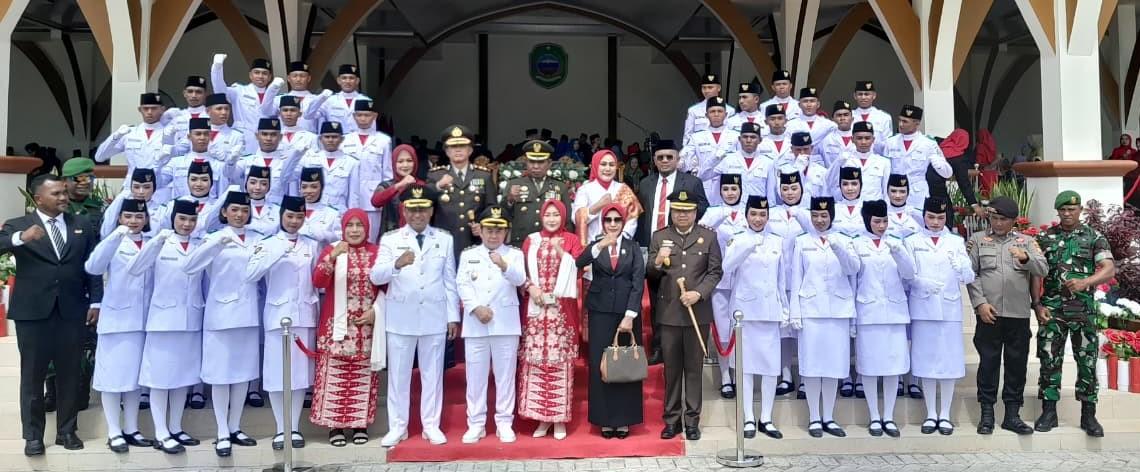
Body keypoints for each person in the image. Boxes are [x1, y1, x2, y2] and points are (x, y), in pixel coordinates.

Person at [0, 174, 102, 456]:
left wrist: (96, 301)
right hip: (33, 314)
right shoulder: (18, 225)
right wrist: (21, 238)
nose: (63, 197)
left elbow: (90, 266)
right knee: (33, 375)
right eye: (56, 193)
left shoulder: (80, 224)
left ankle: (67, 431)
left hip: (71, 311)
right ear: (38, 198)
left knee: (70, 372)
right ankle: (33, 437)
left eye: (64, 192)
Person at [373, 187, 459, 447]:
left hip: (434, 314)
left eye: (423, 209)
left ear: (431, 211)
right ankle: (397, 426)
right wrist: (396, 264)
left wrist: (452, 316)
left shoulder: (444, 239)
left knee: (432, 375)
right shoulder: (390, 239)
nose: (418, 214)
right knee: (399, 376)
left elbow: (450, 280)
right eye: (412, 209)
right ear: (404, 211)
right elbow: (375, 276)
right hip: (401, 317)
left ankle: (430, 425)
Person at [183, 190, 263, 457]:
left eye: (244, 210)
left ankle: (235, 426)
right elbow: (190, 266)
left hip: (249, 313)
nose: (240, 215)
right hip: (220, 315)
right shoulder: (212, 238)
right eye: (234, 210)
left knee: (242, 374)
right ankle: (221, 431)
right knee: (220, 375)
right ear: (224, 212)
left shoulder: (257, 239)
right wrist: (217, 244)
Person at [1033, 190, 1116, 437]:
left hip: (1083, 311)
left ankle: (1088, 415)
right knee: (1049, 360)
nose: (1068, 214)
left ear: (1080, 210)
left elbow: (1109, 269)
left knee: (1087, 363)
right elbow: (1035, 272)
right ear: (1057, 212)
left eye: (1072, 209)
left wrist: (1086, 282)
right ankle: (1049, 411)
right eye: (1063, 210)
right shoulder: (1045, 238)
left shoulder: (1094, 237)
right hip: (1053, 310)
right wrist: (1037, 304)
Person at [966, 196, 1047, 436]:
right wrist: (980, 303)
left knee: (1016, 365)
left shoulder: (1027, 242)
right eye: (994, 218)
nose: (998, 223)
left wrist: (1026, 258)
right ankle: (987, 413)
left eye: (1003, 219)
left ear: (1013, 221)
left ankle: (1012, 414)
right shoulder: (978, 240)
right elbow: (970, 275)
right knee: (988, 363)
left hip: (1018, 314)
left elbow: (1043, 268)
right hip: (989, 314)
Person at [832, 200, 913, 438]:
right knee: (868, 367)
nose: (881, 225)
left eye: (885, 221)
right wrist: (853, 318)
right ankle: (874, 416)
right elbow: (852, 275)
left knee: (892, 368)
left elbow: (909, 274)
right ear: (867, 220)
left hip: (894, 314)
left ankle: (888, 415)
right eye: (877, 221)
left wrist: (899, 254)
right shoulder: (856, 244)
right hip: (868, 312)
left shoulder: (897, 243)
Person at [647, 189, 722, 440]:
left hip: (697, 314)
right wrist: (658, 260)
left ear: (695, 212)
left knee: (693, 369)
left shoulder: (708, 237)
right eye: (678, 211)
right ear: (671, 212)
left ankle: (692, 420)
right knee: (671, 369)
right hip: (669, 314)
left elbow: (715, 272)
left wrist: (699, 294)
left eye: (687, 211)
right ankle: (671, 420)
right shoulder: (660, 237)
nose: (682, 215)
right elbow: (652, 273)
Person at [245, 196, 318, 450]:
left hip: (305, 315)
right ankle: (280, 429)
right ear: (281, 216)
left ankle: (294, 427)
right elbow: (252, 274)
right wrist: (276, 253)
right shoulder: (268, 244)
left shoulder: (311, 244)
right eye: (290, 216)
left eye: (299, 217)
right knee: (278, 375)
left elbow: (317, 277)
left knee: (298, 376)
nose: (295, 221)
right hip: (277, 316)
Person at [132, 199, 204, 454]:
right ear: (172, 219)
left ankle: (175, 426)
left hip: (191, 319)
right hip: (162, 321)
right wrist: (154, 243)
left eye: (192, 220)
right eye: (182, 219)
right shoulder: (161, 243)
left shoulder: (200, 245)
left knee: (182, 377)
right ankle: (161, 431)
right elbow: (136, 269)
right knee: (160, 379)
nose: (187, 224)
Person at [900, 197, 975, 436]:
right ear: (924, 216)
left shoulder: (955, 241)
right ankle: (931, 412)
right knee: (927, 362)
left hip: (949, 308)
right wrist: (920, 282)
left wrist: (962, 266)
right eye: (931, 217)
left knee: (949, 363)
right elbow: (907, 274)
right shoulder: (912, 241)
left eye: (940, 218)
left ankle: (945, 413)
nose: (935, 222)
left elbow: (969, 276)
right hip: (923, 308)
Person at [86, 198, 155, 454]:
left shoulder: (152, 243)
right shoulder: (112, 242)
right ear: (119, 218)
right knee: (113, 379)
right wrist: (115, 235)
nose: (134, 221)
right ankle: (114, 430)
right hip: (117, 320)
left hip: (144, 320)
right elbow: (93, 267)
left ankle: (132, 428)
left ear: (146, 219)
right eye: (128, 216)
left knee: (135, 380)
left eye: (139, 217)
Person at [308, 209, 382, 446]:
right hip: (336, 327)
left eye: (359, 225)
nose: (354, 230)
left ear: (367, 228)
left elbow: (386, 287)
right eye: (349, 225)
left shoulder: (376, 252)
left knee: (362, 375)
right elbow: (318, 282)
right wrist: (331, 259)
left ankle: (359, 424)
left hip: (366, 328)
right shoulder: (333, 249)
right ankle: (335, 426)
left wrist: (376, 310)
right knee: (336, 375)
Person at [456, 206, 527, 444]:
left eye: (499, 230)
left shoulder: (514, 254)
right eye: (489, 230)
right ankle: (475, 423)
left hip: (505, 324)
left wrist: (504, 265)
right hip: (476, 324)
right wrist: (476, 308)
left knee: (505, 376)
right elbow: (462, 284)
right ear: (481, 231)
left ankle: (504, 422)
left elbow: (520, 280)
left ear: (506, 232)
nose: (494, 235)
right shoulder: (469, 254)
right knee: (475, 377)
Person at [789, 196, 858, 438]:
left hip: (838, 311)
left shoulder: (844, 240)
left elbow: (853, 270)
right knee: (811, 366)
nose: (820, 220)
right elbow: (795, 278)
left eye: (824, 216)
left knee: (832, 367)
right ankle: (814, 417)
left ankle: (828, 416)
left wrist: (838, 248)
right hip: (811, 311)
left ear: (831, 216)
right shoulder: (801, 242)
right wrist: (794, 312)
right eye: (816, 216)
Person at [578, 202, 646, 439]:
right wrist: (598, 247)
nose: (613, 224)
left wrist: (630, 315)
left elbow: (638, 282)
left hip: (627, 314)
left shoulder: (633, 247)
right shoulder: (597, 245)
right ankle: (605, 420)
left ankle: (624, 420)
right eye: (609, 220)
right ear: (603, 223)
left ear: (623, 222)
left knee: (625, 365)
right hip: (600, 313)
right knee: (603, 366)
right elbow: (579, 262)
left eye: (618, 220)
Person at [722, 195, 787, 439]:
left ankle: (766, 418)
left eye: (762, 215)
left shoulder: (777, 241)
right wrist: (746, 247)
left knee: (770, 368)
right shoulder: (737, 239)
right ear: (746, 215)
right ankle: (748, 416)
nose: (758, 219)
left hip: (770, 311)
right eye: (753, 214)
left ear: (768, 216)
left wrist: (786, 307)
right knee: (745, 367)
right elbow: (727, 268)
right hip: (745, 313)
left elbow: (781, 278)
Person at [518, 199, 584, 439]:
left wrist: (559, 249)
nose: (553, 218)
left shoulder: (572, 240)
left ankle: (558, 419)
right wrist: (530, 287)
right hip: (536, 313)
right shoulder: (531, 240)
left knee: (559, 364)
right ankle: (540, 419)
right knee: (536, 363)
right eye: (548, 214)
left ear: (563, 216)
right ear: (541, 216)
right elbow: (520, 270)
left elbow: (579, 266)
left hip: (560, 312)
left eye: (557, 214)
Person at [697, 174, 747, 398]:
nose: (730, 193)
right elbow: (701, 236)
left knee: (743, 331)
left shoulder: (750, 210)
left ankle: (740, 375)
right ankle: (725, 376)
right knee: (723, 332)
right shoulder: (713, 212)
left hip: (745, 281)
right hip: (719, 281)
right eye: (726, 189)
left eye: (734, 189)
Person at [427, 125, 497, 261]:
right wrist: (438, 186)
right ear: (446, 151)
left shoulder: (483, 175)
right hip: (443, 241)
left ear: (470, 150)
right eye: (453, 147)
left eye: (462, 146)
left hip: (473, 240)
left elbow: (491, 208)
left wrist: (482, 226)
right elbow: (425, 201)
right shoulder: (436, 175)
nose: (458, 150)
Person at [504, 140, 574, 247]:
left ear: (549, 163)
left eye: (541, 162)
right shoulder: (514, 184)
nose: (535, 166)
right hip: (520, 243)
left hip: (552, 243)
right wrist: (509, 199)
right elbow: (502, 215)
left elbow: (567, 220)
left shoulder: (560, 187)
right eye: (531, 162)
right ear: (526, 162)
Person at [210, 53, 284, 154]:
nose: (260, 76)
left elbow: (267, 111)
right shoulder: (240, 91)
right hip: (242, 138)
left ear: (270, 77)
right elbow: (220, 92)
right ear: (250, 75)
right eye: (257, 72)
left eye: (264, 73)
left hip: (266, 141)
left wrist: (273, 89)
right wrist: (217, 67)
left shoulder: (276, 99)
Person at [342, 99, 393, 242]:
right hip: (349, 197)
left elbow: (387, 174)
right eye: (359, 115)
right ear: (354, 116)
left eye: (367, 115)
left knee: (371, 238)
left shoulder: (383, 140)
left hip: (372, 199)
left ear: (374, 116)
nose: (363, 118)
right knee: (350, 238)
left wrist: (381, 197)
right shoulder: (345, 140)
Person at [94, 93, 172, 186]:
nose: (150, 112)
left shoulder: (171, 134)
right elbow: (99, 157)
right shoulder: (130, 133)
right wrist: (116, 136)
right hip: (132, 187)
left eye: (154, 108)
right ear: (140, 110)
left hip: (159, 186)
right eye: (146, 109)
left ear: (162, 110)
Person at [882, 105, 952, 208]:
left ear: (917, 123)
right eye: (900, 120)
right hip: (895, 192)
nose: (901, 124)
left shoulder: (928, 143)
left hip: (917, 194)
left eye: (905, 121)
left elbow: (947, 173)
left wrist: (938, 164)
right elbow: (884, 170)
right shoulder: (890, 142)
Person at [680, 97, 740, 206]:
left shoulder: (736, 136)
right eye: (712, 111)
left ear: (726, 115)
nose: (716, 114)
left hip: (730, 189)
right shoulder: (696, 137)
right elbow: (683, 161)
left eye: (720, 111)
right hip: (704, 187)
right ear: (706, 115)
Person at [234, 117, 305, 204]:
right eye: (264, 134)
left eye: (273, 134)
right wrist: (231, 161)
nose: (268, 138)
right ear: (257, 136)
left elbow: (293, 190)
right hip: (250, 208)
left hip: (277, 210)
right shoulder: (247, 161)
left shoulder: (287, 163)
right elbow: (229, 174)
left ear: (280, 137)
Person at [299, 121, 361, 211]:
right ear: (320, 139)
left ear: (342, 139)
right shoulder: (310, 160)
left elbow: (353, 195)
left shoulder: (352, 163)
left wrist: (352, 214)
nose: (330, 140)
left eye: (335, 137)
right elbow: (302, 189)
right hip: (315, 210)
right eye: (327, 137)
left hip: (339, 212)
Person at [828, 121, 890, 202]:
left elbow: (886, 191)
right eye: (859, 138)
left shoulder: (883, 162)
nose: (863, 142)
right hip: (850, 207)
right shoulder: (844, 160)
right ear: (852, 139)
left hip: (874, 210)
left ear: (873, 139)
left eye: (867, 138)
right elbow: (830, 181)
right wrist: (838, 162)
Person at [715, 122, 777, 199]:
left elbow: (771, 192)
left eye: (753, 137)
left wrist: (769, 209)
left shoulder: (768, 163)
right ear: (739, 139)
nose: (748, 140)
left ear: (760, 140)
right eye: (745, 137)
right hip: (734, 208)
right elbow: (715, 185)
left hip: (757, 209)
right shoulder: (728, 160)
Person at [306, 64, 372, 134]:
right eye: (344, 78)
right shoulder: (330, 100)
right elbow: (308, 115)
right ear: (338, 80)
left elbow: (371, 126)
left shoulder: (366, 100)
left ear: (357, 81)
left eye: (351, 78)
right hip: (336, 141)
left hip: (357, 141)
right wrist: (321, 97)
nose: (347, 81)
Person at [683, 73, 736, 144]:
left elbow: (733, 134)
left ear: (719, 88)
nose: (707, 90)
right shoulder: (693, 110)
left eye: (710, 87)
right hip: (700, 150)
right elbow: (688, 135)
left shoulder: (730, 110)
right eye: (704, 87)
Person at [62, 157, 106, 223]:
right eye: (79, 178)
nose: (85, 182)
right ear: (64, 181)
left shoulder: (100, 205)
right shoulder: (55, 205)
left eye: (90, 177)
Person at [851, 81, 892, 149]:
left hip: (877, 158)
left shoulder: (884, 117)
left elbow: (888, 144)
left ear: (874, 95)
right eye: (860, 94)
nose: (863, 97)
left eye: (867, 94)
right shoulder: (848, 116)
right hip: (853, 157)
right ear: (855, 96)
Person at [819, 101, 856, 167]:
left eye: (846, 115)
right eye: (839, 115)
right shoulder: (826, 140)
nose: (842, 118)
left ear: (852, 118)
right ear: (833, 119)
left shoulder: (860, 138)